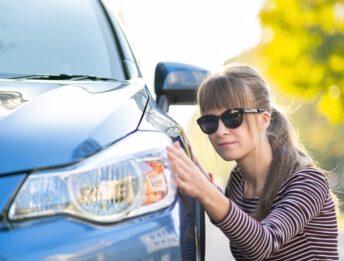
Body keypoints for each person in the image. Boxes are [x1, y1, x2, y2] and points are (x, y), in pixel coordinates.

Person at [166, 64, 339, 260]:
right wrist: (199, 179)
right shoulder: (239, 181)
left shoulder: (307, 181)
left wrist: (204, 190)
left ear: (264, 119)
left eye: (233, 117)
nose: (220, 131)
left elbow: (264, 243)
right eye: (210, 122)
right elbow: (235, 219)